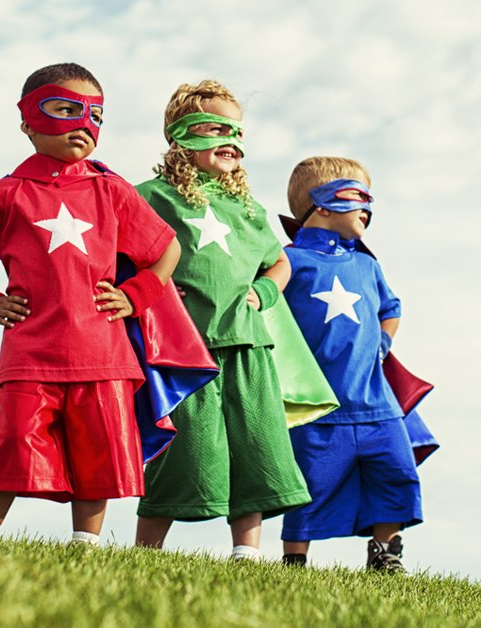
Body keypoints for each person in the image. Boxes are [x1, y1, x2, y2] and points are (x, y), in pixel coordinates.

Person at [0, 62, 181, 546]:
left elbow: (166, 249)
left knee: (99, 454)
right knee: (11, 443)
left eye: (95, 114)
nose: (83, 123)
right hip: (31, 351)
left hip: (104, 354)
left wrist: (136, 296)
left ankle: (85, 548)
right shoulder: (6, 193)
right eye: (65, 108)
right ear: (29, 120)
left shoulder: (112, 190)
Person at [132, 80, 310, 561]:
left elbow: (280, 261)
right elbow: (119, 255)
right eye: (216, 128)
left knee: (257, 444)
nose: (231, 140)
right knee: (184, 449)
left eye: (237, 131)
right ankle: (146, 551)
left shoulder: (246, 209)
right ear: (181, 135)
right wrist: (156, 289)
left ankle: (246, 553)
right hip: (182, 350)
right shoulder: (150, 196)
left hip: (248, 345)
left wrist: (263, 291)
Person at [276, 156, 429, 573]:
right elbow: (267, 302)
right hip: (317, 404)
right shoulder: (289, 260)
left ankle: (386, 555)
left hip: (377, 403)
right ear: (322, 204)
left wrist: (384, 338)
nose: (367, 206)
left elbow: (392, 307)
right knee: (309, 485)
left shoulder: (367, 264)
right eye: (356, 195)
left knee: (395, 473)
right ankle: (294, 561)